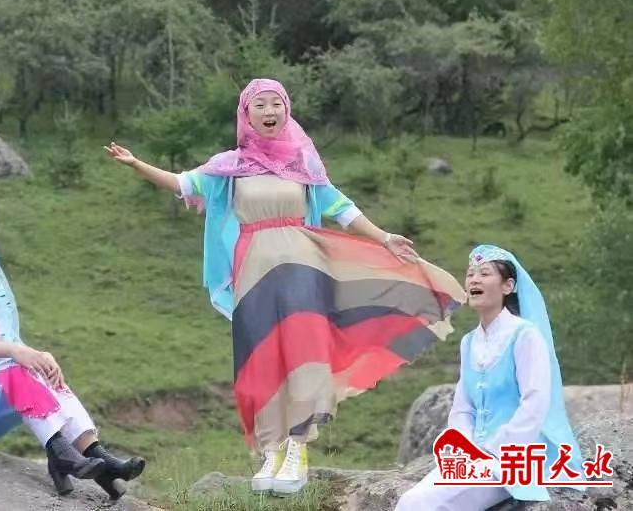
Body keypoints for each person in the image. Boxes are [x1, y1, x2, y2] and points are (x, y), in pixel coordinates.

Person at [105, 78, 465, 495]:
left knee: (302, 355)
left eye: (276, 103)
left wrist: (384, 238)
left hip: (302, 269)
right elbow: (183, 184)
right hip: (252, 275)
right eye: (260, 104)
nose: (269, 111)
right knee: (261, 359)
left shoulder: (303, 164)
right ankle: (271, 450)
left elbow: (341, 208)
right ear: (246, 114)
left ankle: (297, 448)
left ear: (286, 110)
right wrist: (136, 163)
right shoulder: (229, 167)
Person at [0, 221, 145, 499]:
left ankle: (97, 458)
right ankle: (61, 454)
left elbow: (16, 351)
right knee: (17, 367)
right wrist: (15, 351)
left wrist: (40, 356)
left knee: (43, 370)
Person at [395, 245, 584, 510]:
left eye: (484, 273)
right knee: (410, 500)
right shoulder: (469, 342)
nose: (474, 279)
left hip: (512, 456)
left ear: (508, 286)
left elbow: (535, 401)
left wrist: (494, 448)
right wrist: (467, 447)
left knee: (419, 504)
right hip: (473, 458)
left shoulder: (525, 335)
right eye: (470, 274)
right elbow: (463, 408)